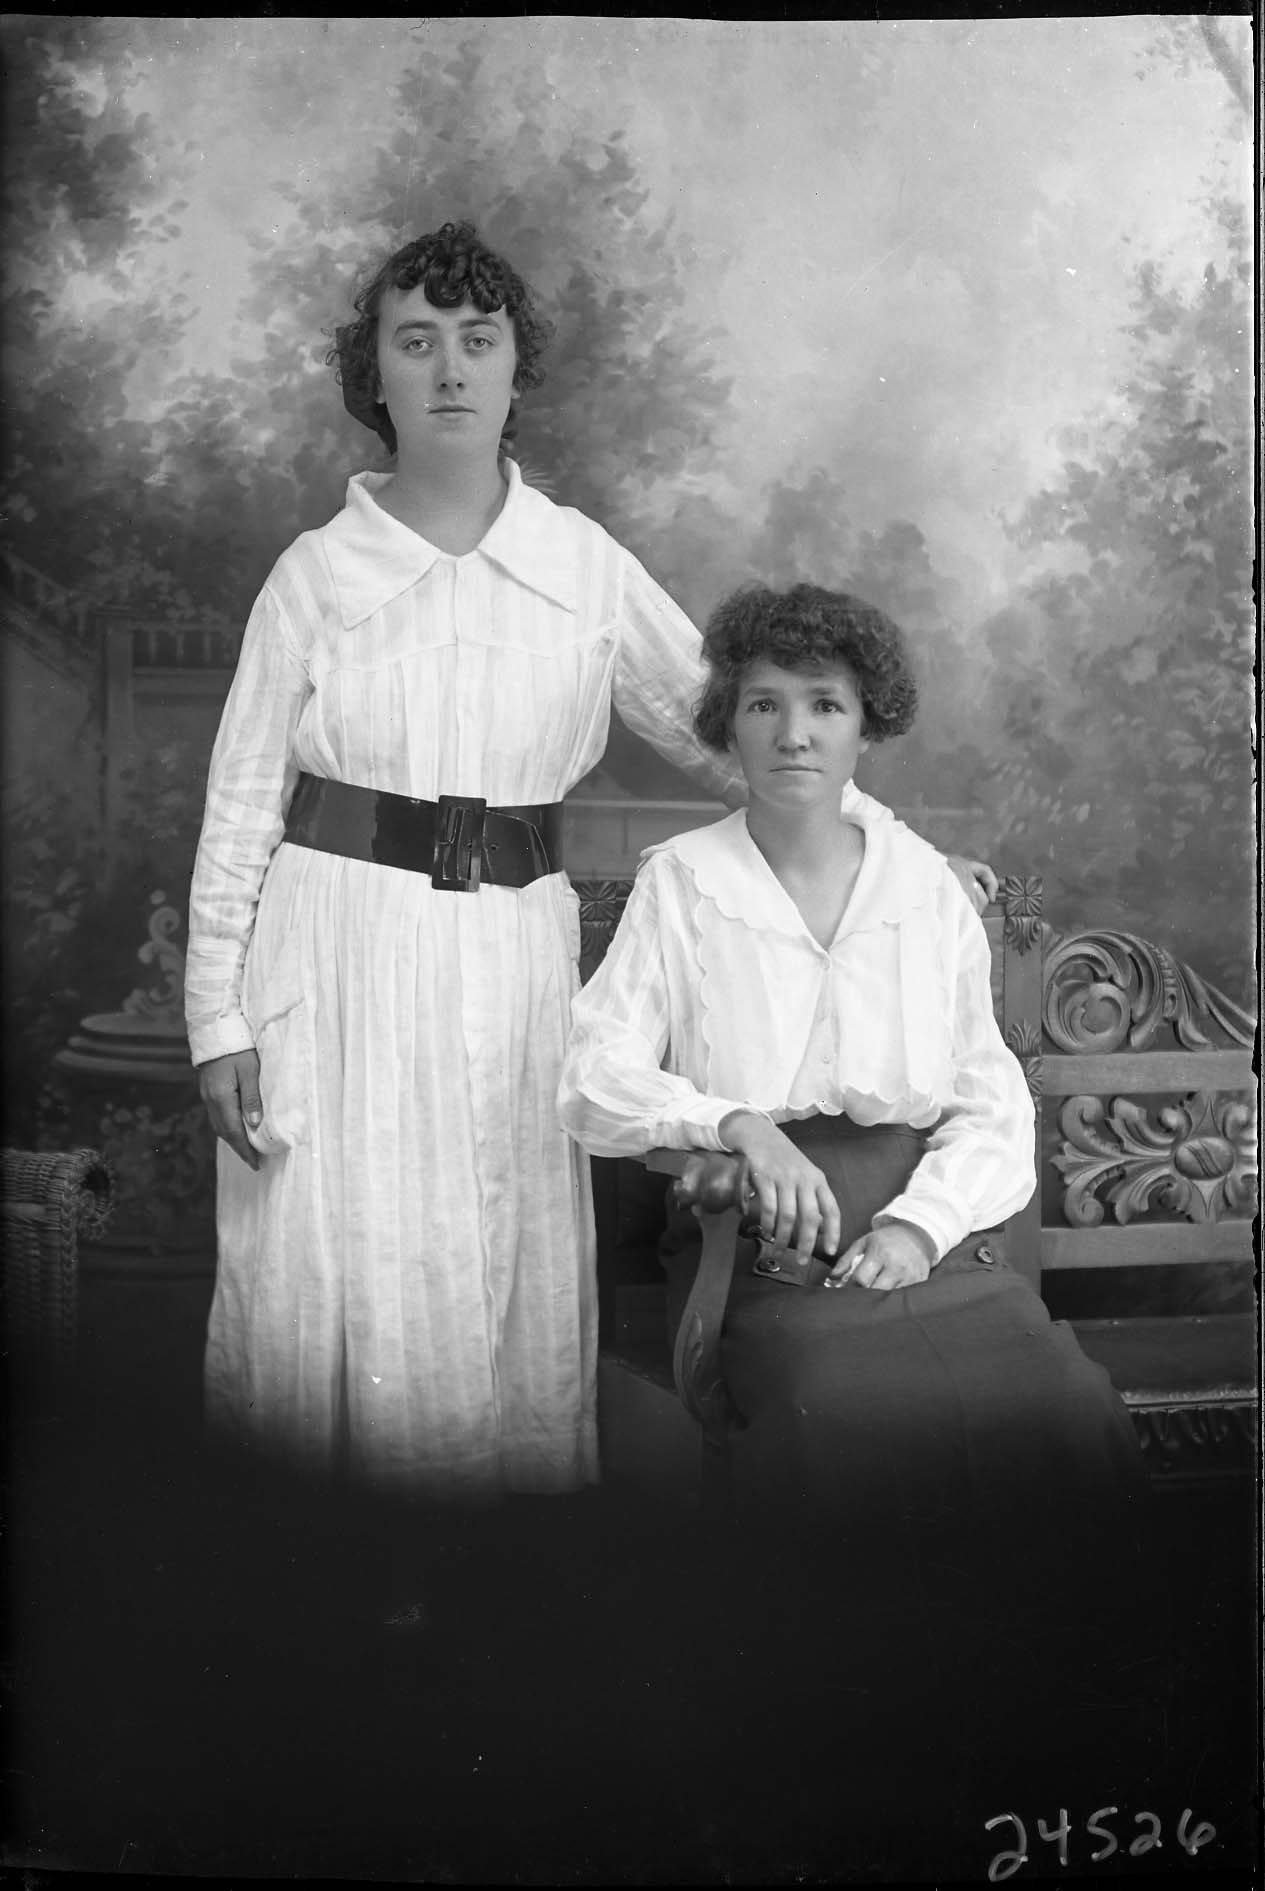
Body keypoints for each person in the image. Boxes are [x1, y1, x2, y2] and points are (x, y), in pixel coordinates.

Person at [185, 222, 996, 1504]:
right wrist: (216, 1018)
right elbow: (241, 799)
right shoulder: (316, 576)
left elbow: (731, 730)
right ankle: (336, 1563)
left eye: (478, 340)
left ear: (516, 370)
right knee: (338, 1249)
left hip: (509, 955)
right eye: (415, 342)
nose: (449, 368)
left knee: (488, 1243)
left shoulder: (580, 566)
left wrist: (882, 855)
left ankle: (495, 1566)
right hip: (335, 952)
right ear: (373, 374)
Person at [557, 581, 1145, 1543]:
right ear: (729, 723)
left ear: (865, 729)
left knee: (1062, 1402)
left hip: (932, 1240)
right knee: (832, 1410)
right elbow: (592, 1075)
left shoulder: (924, 889)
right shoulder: (683, 881)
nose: (793, 734)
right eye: (764, 704)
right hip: (761, 1251)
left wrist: (919, 1225)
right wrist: (738, 1126)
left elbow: (991, 1099)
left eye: (824, 705)